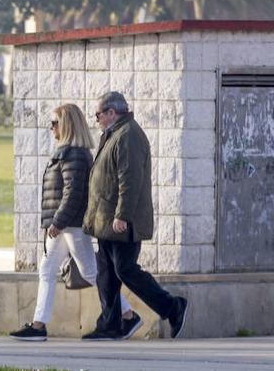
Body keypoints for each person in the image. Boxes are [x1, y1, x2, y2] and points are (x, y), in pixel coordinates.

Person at [10, 104, 137, 341]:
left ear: (67, 125)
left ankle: (128, 315)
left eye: (54, 123)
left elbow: (73, 192)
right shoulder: (66, 152)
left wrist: (57, 221)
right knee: (48, 269)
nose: (51, 127)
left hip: (70, 224)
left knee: (90, 272)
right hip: (64, 225)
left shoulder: (75, 155)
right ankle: (38, 325)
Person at [82, 91, 189, 341]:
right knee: (107, 273)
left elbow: (129, 180)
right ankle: (110, 324)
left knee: (125, 269)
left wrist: (123, 215)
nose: (97, 119)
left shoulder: (128, 135)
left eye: (99, 114)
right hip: (106, 219)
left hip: (120, 221)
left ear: (111, 112)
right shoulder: (114, 134)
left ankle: (172, 307)